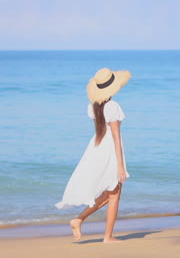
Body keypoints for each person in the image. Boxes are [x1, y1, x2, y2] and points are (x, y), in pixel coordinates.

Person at [55, 67, 131, 243]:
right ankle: (107, 236)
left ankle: (79, 220)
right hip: (110, 150)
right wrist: (120, 165)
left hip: (96, 148)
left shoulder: (93, 106)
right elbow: (115, 136)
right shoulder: (113, 106)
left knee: (110, 193)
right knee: (115, 193)